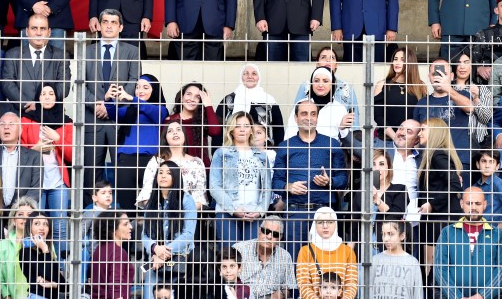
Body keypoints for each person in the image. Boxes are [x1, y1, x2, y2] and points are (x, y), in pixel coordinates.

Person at [272, 100, 348, 260]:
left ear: (317, 118)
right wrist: (288, 186)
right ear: (296, 118)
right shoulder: (285, 146)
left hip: (324, 212)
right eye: (304, 114)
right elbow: (275, 182)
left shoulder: (332, 144)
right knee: (295, 259)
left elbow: (343, 179)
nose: (309, 118)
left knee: (325, 261)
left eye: (313, 114)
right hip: (295, 212)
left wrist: (330, 181)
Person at [83, 9, 139, 207]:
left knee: (122, 173)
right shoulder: (86, 51)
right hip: (93, 121)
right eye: (105, 22)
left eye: (113, 22)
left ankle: (123, 216)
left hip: (119, 120)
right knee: (91, 173)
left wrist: (111, 106)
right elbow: (80, 86)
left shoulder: (132, 51)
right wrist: (98, 103)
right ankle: (90, 216)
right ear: (98, 26)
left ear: (120, 27)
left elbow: (133, 83)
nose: (108, 26)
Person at [20, 83, 73, 262]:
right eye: (43, 94)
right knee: (34, 225)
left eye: (51, 93)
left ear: (57, 98)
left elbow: (73, 156)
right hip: (35, 181)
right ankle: (35, 264)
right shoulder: (27, 120)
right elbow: (19, 151)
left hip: (57, 180)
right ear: (38, 98)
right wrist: (34, 149)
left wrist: (58, 139)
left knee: (59, 227)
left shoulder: (66, 123)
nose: (48, 97)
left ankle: (61, 267)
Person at [105, 73, 169, 211]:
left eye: (145, 87)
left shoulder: (160, 110)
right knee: (126, 206)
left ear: (154, 90)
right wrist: (108, 99)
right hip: (126, 161)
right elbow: (113, 113)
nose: (140, 90)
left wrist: (132, 99)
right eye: (137, 87)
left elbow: (153, 112)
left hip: (150, 161)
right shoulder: (130, 110)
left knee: (151, 205)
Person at [434, 187, 502, 299]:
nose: (473, 207)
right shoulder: (448, 232)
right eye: (469, 203)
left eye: (478, 203)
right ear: (461, 204)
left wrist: (483, 295)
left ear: (485, 205)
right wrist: (456, 296)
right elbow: (440, 268)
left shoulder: (497, 234)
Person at [210, 112, 272, 249]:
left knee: (251, 255)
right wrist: (233, 209)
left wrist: (260, 211)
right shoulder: (222, 153)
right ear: (231, 130)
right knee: (230, 255)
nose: (242, 129)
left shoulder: (261, 156)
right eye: (238, 126)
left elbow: (267, 188)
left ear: (251, 130)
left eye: (246, 126)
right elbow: (214, 186)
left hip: (253, 214)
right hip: (227, 212)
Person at [415, 118, 464, 286]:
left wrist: (432, 204)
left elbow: (454, 184)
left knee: (432, 269)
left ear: (435, 132)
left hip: (439, 220)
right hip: (437, 220)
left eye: (423, 129)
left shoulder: (438, 155)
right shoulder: (434, 155)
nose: (419, 133)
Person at [142, 160, 197, 299]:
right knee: (148, 294)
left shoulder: (186, 200)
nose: (163, 176)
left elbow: (188, 234)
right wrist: (155, 248)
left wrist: (163, 253)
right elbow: (144, 235)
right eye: (160, 172)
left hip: (179, 259)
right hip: (155, 259)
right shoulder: (151, 202)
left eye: (168, 173)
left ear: (176, 176)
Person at [412, 60, 474, 178]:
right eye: (435, 74)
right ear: (429, 77)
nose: (438, 77)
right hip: (429, 162)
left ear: (452, 76)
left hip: (458, 160)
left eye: (443, 74)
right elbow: (416, 135)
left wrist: (448, 89)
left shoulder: (462, 95)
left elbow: (470, 108)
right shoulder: (422, 103)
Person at [293, 47, 361, 152]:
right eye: (323, 57)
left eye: (332, 58)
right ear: (317, 63)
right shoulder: (306, 86)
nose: (328, 60)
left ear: (337, 64)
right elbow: (296, 113)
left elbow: (354, 122)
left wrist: (354, 147)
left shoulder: (347, 87)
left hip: (341, 143)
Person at [1, 13, 71, 112]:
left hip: (50, 114)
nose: (38, 33)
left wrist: (41, 104)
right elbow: (7, 85)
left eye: (43, 29)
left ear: (49, 32)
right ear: (27, 31)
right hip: (21, 113)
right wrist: (26, 104)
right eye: (34, 28)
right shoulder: (12, 54)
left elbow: (64, 87)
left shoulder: (61, 56)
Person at [135, 121, 208, 210]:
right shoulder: (156, 161)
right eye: (170, 131)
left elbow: (200, 198)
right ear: (165, 138)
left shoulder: (197, 162)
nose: (175, 132)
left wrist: (182, 212)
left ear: (184, 135)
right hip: (160, 214)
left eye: (178, 129)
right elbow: (146, 195)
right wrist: (163, 212)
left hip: (189, 214)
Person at [346, 150, 407, 253]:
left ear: (389, 167)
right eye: (373, 164)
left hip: (387, 250)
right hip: (363, 250)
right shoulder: (361, 193)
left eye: (382, 164)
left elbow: (395, 217)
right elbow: (354, 228)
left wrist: (378, 201)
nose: (377, 168)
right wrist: (349, 255)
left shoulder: (400, 190)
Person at [0, 112, 43, 208]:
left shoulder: (34, 156)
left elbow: (36, 189)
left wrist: (19, 209)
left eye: (11, 124)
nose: (6, 127)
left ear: (20, 130)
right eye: (2, 124)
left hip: (20, 211)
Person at [215, 63, 285, 147]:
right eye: (246, 73)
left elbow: (279, 130)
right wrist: (216, 150)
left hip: (263, 150)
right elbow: (217, 128)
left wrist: (278, 152)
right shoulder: (228, 100)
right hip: (233, 150)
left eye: (254, 73)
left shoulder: (269, 101)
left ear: (259, 77)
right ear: (241, 77)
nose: (250, 76)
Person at [296, 207, 358, 299]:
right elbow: (303, 284)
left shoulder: (347, 251)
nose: (325, 226)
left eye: (330, 222)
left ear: (335, 224)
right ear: (315, 225)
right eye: (320, 222)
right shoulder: (305, 251)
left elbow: (351, 283)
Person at [233, 216, 298, 299]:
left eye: (275, 234)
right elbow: (226, 279)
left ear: (280, 238)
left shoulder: (285, 256)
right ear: (259, 231)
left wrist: (281, 294)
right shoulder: (239, 249)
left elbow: (288, 287)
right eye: (266, 231)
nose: (269, 237)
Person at [373, 47, 427, 146]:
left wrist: (411, 139)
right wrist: (395, 137)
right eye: (395, 59)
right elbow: (378, 116)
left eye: (402, 60)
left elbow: (423, 116)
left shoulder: (420, 86)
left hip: (411, 142)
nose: (397, 62)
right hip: (386, 141)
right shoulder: (382, 84)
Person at [284, 67, 353, 143]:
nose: (320, 85)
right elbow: (289, 136)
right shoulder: (301, 105)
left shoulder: (340, 108)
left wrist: (342, 129)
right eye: (316, 81)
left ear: (332, 84)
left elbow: (348, 142)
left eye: (325, 81)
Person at [166, 81, 222, 168]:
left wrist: (208, 105)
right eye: (189, 94)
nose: (192, 99)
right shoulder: (170, 120)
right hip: (176, 169)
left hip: (201, 169)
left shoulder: (203, 120)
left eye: (197, 97)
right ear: (182, 97)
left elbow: (215, 131)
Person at [0, 196, 37, 299]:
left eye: (29, 215)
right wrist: (6, 295)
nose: (25, 218)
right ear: (14, 220)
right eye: (20, 214)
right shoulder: (0, 247)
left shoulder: (43, 244)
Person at [451, 47, 493, 149]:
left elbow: (486, 119)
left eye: (466, 62)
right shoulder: (447, 89)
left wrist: (476, 98)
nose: (462, 67)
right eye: (458, 63)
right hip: (451, 141)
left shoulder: (482, 89)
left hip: (476, 144)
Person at [371, 220, 423, 299]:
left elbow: (418, 294)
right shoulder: (375, 260)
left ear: (402, 236)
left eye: (390, 234)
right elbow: (368, 289)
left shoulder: (412, 262)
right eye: (383, 234)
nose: (385, 239)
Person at [19, 211, 66, 299]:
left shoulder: (47, 252)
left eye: (45, 224)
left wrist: (53, 284)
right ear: (29, 228)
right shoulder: (26, 251)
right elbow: (48, 275)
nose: (42, 228)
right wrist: (45, 249)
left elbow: (64, 285)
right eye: (37, 224)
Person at [90, 210, 135, 299]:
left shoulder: (99, 248)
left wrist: (149, 264)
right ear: (113, 230)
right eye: (125, 224)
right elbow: (115, 283)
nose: (131, 227)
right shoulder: (118, 252)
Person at [472, 150, 502, 229]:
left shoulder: (497, 183)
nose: (487, 166)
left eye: (491, 162)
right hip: (479, 230)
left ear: (497, 166)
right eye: (484, 161)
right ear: (478, 164)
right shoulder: (475, 186)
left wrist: (499, 228)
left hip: (493, 231)